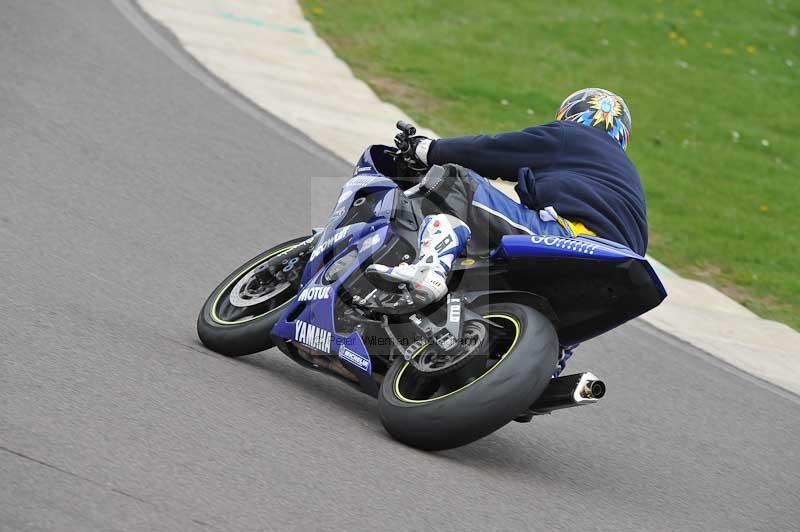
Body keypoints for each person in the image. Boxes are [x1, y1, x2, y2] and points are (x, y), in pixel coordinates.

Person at [366, 88, 647, 307]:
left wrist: (429, 150)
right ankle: (550, 366)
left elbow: (494, 152)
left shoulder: (572, 137)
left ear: (569, 115)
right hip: (623, 277)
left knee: (457, 182)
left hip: (573, 239)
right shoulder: (628, 175)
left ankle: (430, 271)